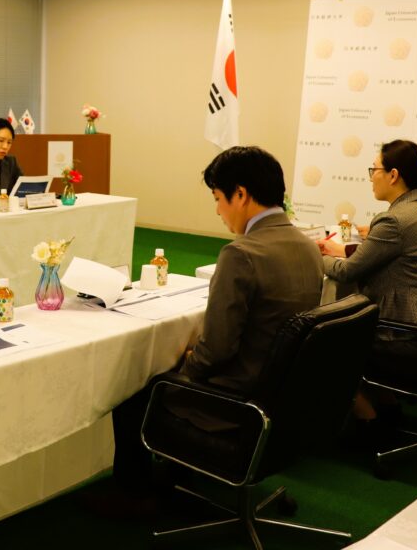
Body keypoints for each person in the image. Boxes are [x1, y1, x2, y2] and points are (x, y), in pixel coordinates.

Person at [112, 146, 323, 489]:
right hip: (284, 398)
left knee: (133, 390)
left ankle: (134, 496)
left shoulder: (242, 254)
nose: (217, 211)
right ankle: (185, 478)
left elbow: (217, 352)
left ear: (240, 194)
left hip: (237, 401)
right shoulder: (308, 247)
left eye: (217, 199)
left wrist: (187, 364)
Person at [318, 139, 417, 428]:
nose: (371, 176)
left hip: (411, 333)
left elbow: (346, 272)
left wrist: (314, 255)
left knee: (327, 343)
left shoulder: (394, 220)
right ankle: (388, 407)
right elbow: (390, 253)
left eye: (374, 169)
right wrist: (345, 251)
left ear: (393, 175)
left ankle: (368, 421)